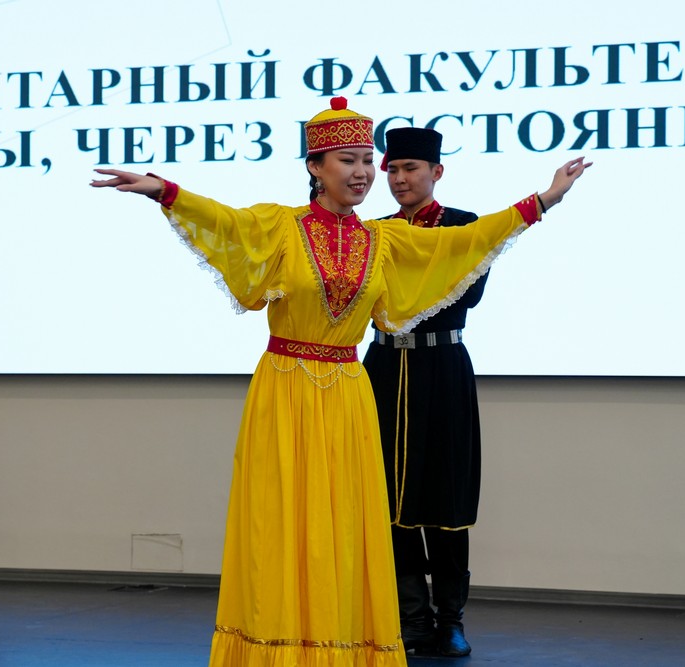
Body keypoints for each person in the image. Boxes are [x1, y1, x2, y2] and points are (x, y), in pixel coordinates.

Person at [91, 97, 589, 667]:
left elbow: (461, 243)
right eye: (349, 161)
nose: (364, 173)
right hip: (287, 387)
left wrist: (543, 200)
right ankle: (278, 646)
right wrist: (166, 192)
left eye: (368, 161)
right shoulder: (281, 227)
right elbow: (227, 222)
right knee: (284, 520)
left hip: (350, 391)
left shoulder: (383, 241)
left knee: (350, 522)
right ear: (315, 167)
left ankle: (350, 644)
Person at [363, 127, 497, 657]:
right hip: (384, 365)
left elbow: (469, 293)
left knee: (446, 496)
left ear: (436, 171)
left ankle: (451, 621)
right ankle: (411, 618)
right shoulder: (374, 232)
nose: (399, 179)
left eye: (411, 168)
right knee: (388, 497)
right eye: (393, 170)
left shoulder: (465, 225)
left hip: (442, 365)